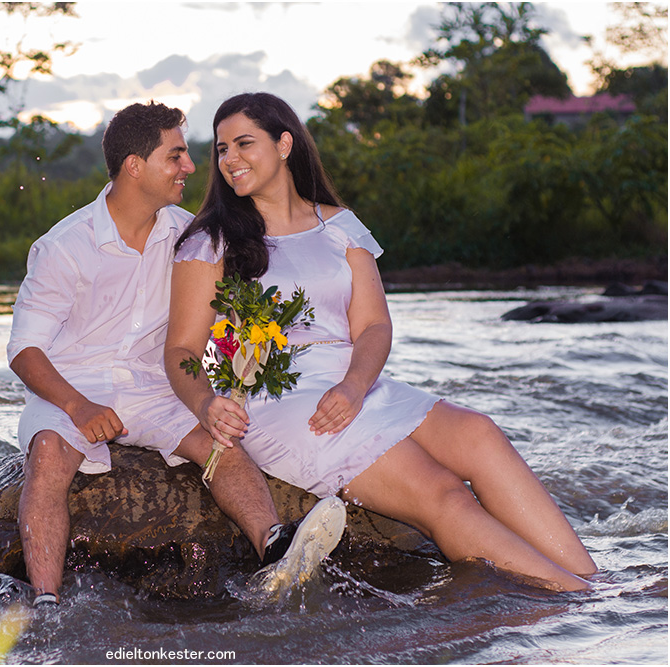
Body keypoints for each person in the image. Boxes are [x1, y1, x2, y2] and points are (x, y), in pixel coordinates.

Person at [164, 92, 598, 592]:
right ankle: (570, 599)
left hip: (357, 382)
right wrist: (206, 404)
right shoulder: (212, 241)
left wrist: (354, 385)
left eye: (243, 143)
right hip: (281, 399)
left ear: (285, 144)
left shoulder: (339, 226)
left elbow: (374, 326)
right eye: (221, 149)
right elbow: (180, 351)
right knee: (443, 492)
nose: (229, 160)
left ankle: (591, 579)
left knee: (480, 432)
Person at [6, 100, 344, 609]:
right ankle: (47, 602)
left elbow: (223, 322)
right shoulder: (64, 246)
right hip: (74, 386)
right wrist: (78, 407)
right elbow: (24, 351)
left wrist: (236, 378)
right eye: (176, 156)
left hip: (156, 386)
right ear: (134, 166)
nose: (190, 168)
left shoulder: (192, 237)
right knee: (49, 454)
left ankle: (276, 550)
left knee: (222, 442)